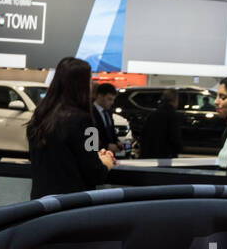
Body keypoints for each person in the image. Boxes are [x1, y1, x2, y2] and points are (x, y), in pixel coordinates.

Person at [26, 57, 116, 199]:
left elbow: (62, 158)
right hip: (71, 206)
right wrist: (105, 162)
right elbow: (95, 172)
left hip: (41, 203)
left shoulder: (39, 117)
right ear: (82, 85)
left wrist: (95, 156)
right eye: (89, 80)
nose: (92, 84)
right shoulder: (85, 121)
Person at [138, 88, 182, 159]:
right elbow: (174, 137)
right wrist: (178, 149)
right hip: (165, 155)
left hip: (149, 154)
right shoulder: (173, 115)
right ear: (175, 100)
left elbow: (143, 134)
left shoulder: (153, 114)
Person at [92, 82, 122, 156]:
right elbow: (90, 140)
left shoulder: (108, 112)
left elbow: (111, 130)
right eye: (109, 99)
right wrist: (106, 146)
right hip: (97, 155)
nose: (112, 102)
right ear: (100, 96)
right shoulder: (90, 113)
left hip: (109, 155)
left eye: (113, 99)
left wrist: (117, 141)